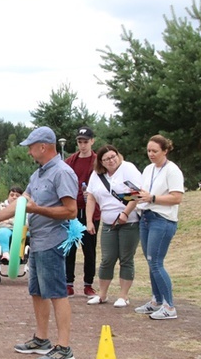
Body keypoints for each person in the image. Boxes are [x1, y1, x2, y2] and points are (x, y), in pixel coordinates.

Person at [0, 126, 78, 359]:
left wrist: (36, 210)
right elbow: (21, 204)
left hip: (52, 241)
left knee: (56, 293)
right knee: (37, 291)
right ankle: (42, 339)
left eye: (31, 147)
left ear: (43, 146)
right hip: (37, 240)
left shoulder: (62, 173)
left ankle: (64, 348)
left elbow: (71, 210)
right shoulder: (39, 174)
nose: (29, 152)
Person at [84, 145, 143, 308]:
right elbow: (91, 197)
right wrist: (89, 221)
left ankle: (124, 296)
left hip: (129, 221)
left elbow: (136, 193)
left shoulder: (128, 168)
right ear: (101, 162)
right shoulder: (97, 175)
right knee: (107, 259)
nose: (111, 160)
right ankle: (102, 294)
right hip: (108, 222)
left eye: (113, 156)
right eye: (107, 159)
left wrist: (125, 213)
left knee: (126, 258)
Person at [134, 134, 184, 320]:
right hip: (145, 217)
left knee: (156, 262)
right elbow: (143, 192)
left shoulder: (173, 171)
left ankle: (169, 306)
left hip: (162, 219)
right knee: (150, 260)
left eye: (155, 151)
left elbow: (176, 197)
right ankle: (156, 300)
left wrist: (153, 198)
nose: (151, 154)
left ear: (165, 150)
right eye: (148, 151)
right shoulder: (148, 169)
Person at [64, 126, 100, 297]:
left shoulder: (98, 161)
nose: (83, 145)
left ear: (92, 141)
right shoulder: (70, 161)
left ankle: (88, 284)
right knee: (70, 247)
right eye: (80, 142)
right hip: (72, 210)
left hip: (91, 211)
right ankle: (68, 283)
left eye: (86, 142)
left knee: (89, 249)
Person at [0, 186, 25, 263]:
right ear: (8, 196)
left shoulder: (26, 208)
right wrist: (15, 223)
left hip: (20, 230)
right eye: (12, 195)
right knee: (1, 232)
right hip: (5, 229)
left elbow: (26, 223)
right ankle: (5, 254)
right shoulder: (0, 207)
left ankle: (19, 255)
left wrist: (8, 220)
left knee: (22, 233)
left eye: (17, 196)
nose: (14, 197)